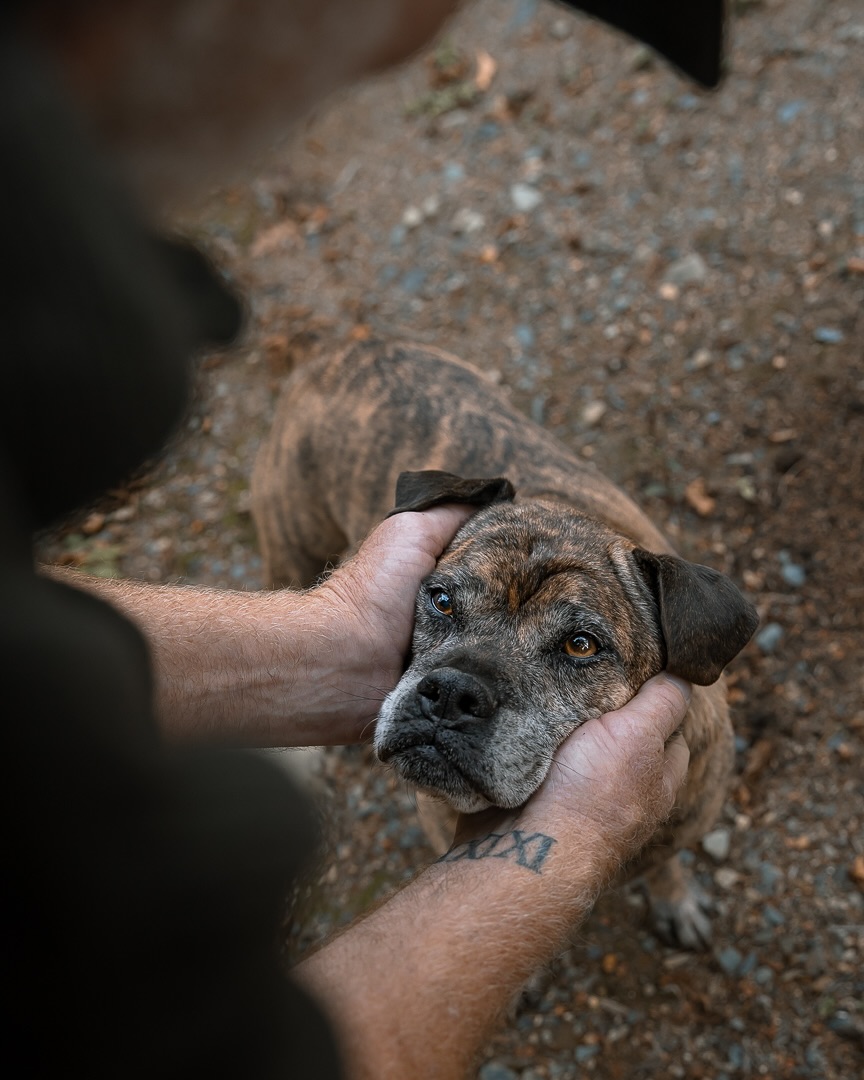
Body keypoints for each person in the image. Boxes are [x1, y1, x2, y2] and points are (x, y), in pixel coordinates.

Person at [2, 1, 723, 1077]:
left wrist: (330, 641)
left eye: (576, 646)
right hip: (330, 438)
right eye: (443, 607)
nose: (402, 48)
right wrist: (567, 847)